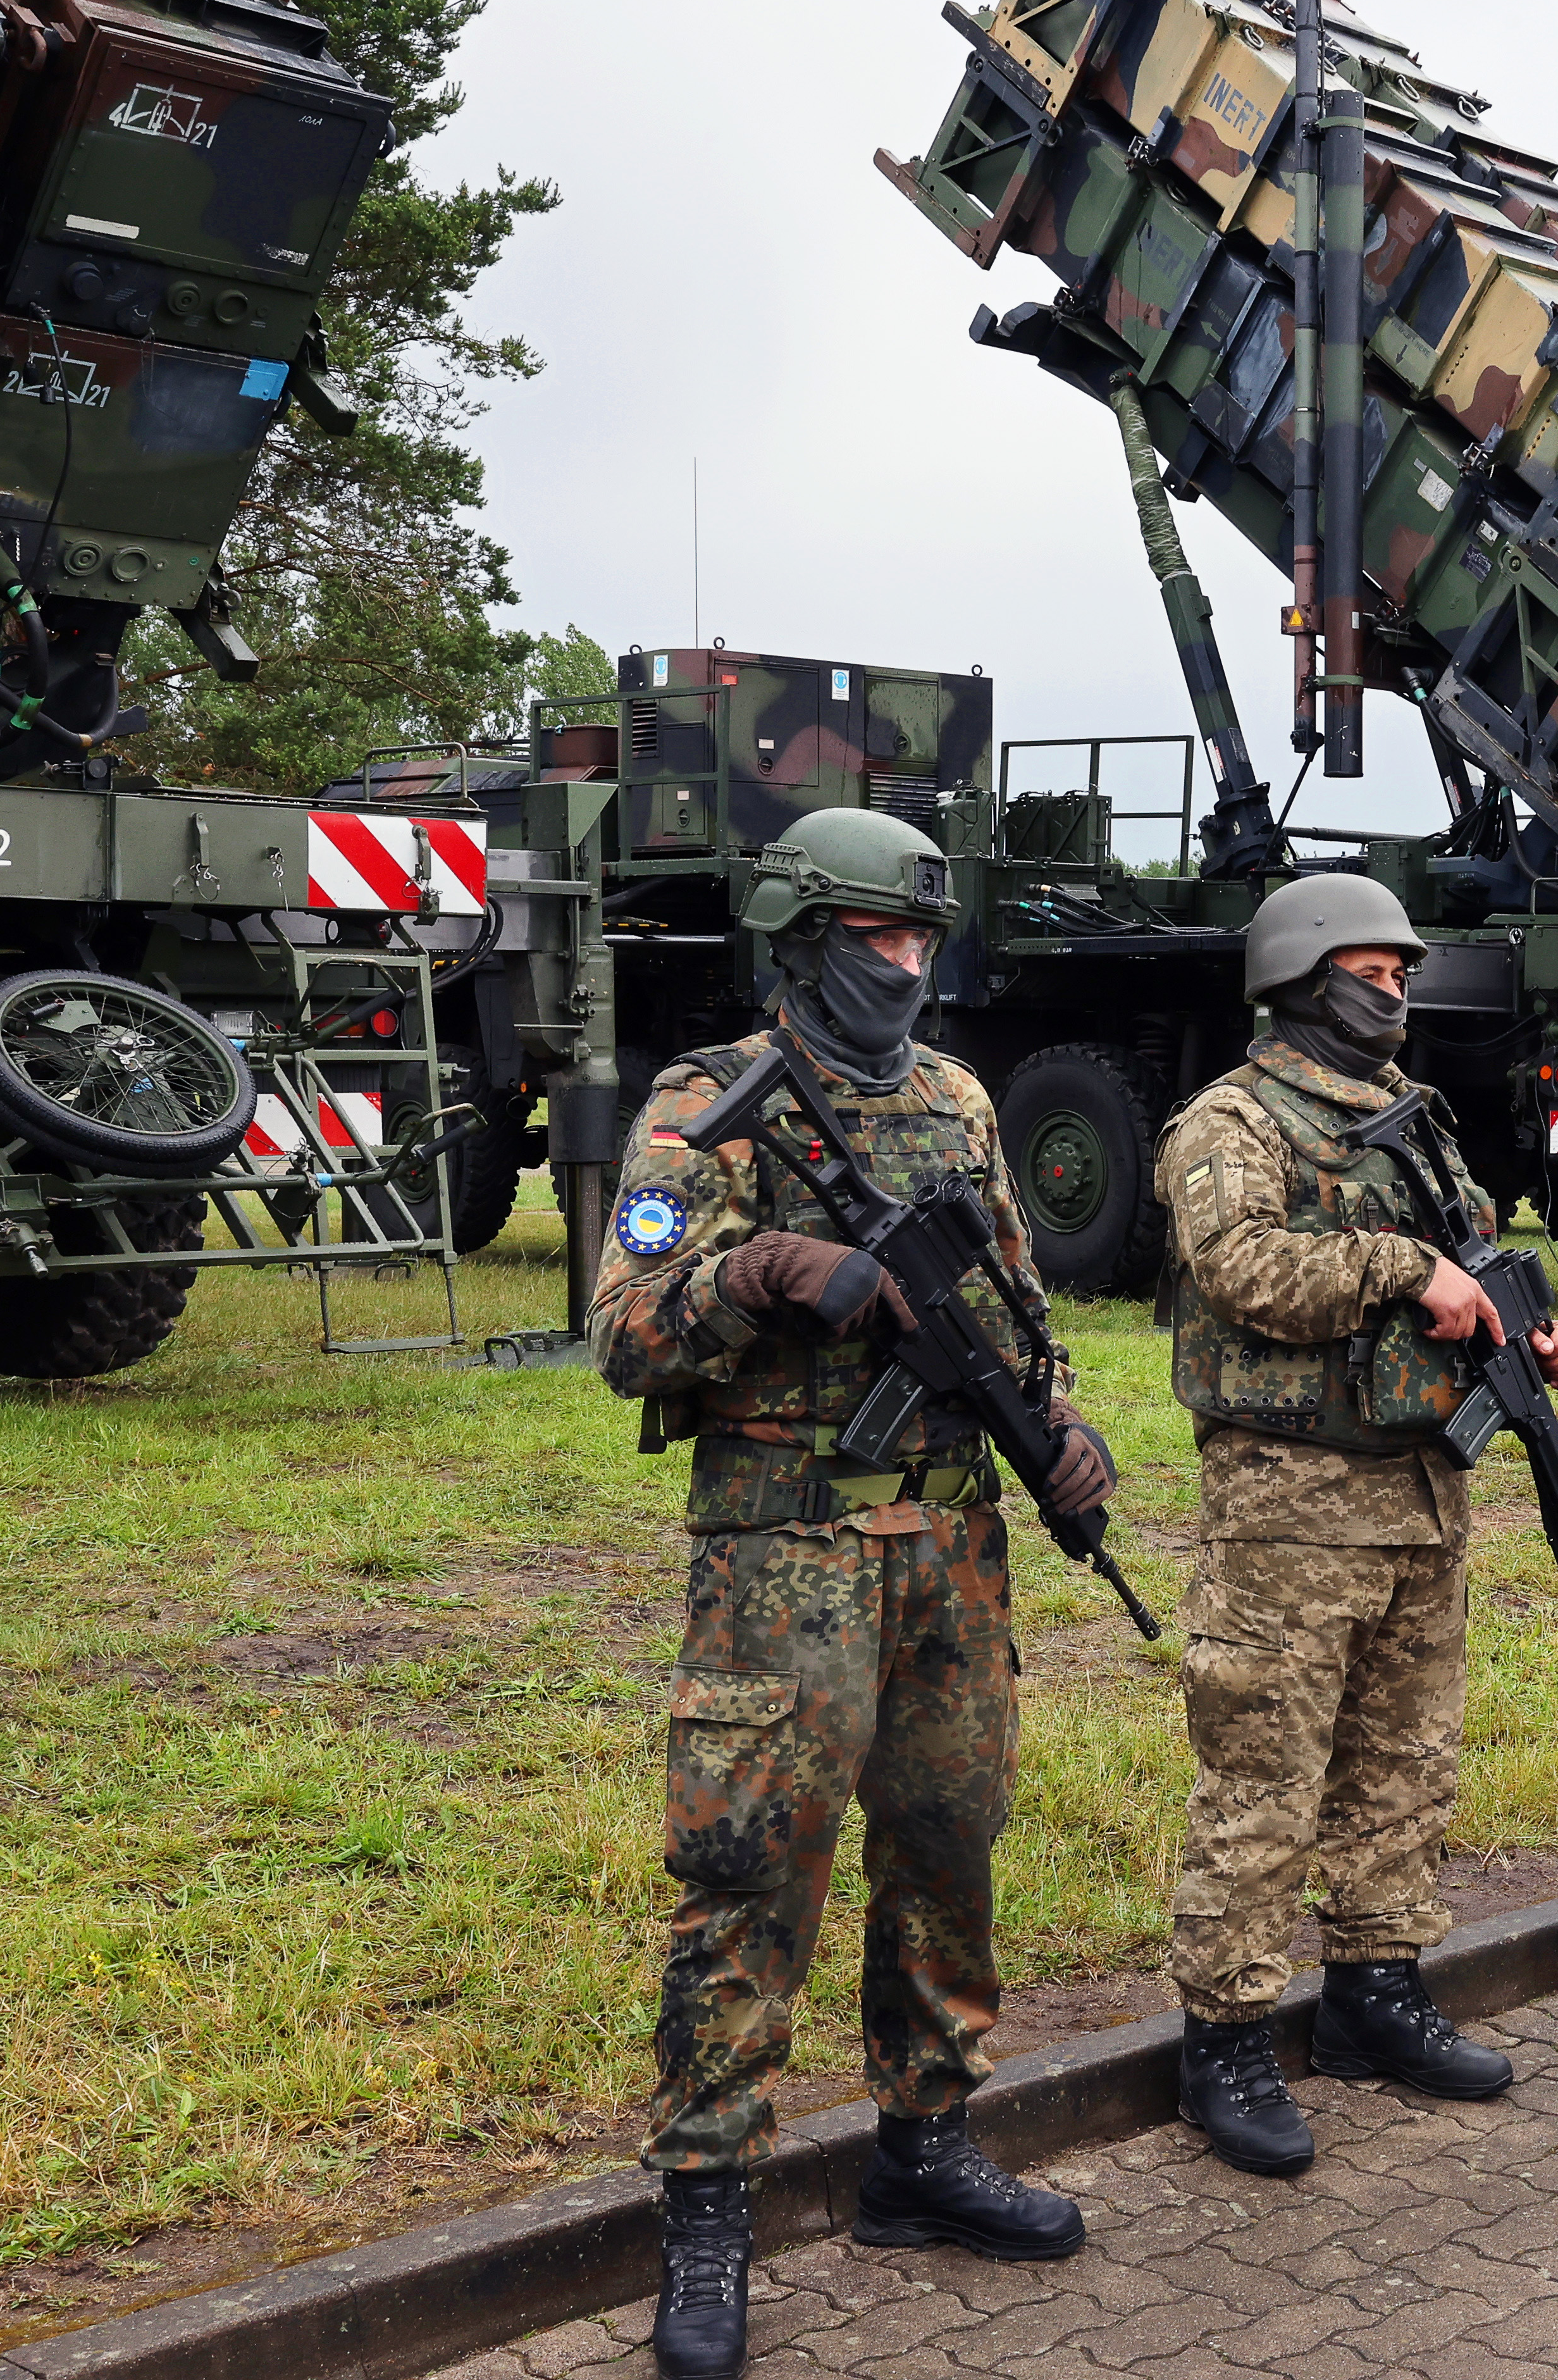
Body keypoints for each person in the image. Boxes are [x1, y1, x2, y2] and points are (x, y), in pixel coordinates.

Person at [594, 810, 1103, 2380]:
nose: (903, 966)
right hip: (783, 1552)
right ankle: (706, 2198)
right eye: (875, 939)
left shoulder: (952, 1099)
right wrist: (752, 1278)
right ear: (801, 937)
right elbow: (623, 1332)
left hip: (951, 1547)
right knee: (751, 1872)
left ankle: (924, 2145)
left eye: (918, 942)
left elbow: (1007, 1294)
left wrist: (1061, 1422)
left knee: (949, 1845)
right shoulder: (703, 1107)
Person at [1151, 874, 1558, 2177]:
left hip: (1419, 1495)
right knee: (1264, 1777)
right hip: (1292, 1511)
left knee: (1404, 1761)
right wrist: (1406, 1269)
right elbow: (1242, 1271)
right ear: (1297, 975)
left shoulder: (1416, 1120)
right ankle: (1225, 2036)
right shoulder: (1233, 1120)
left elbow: (1477, 1253)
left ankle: (1374, 1988)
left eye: (1402, 974)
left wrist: (1537, 1326)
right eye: (1369, 971)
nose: (1393, 992)